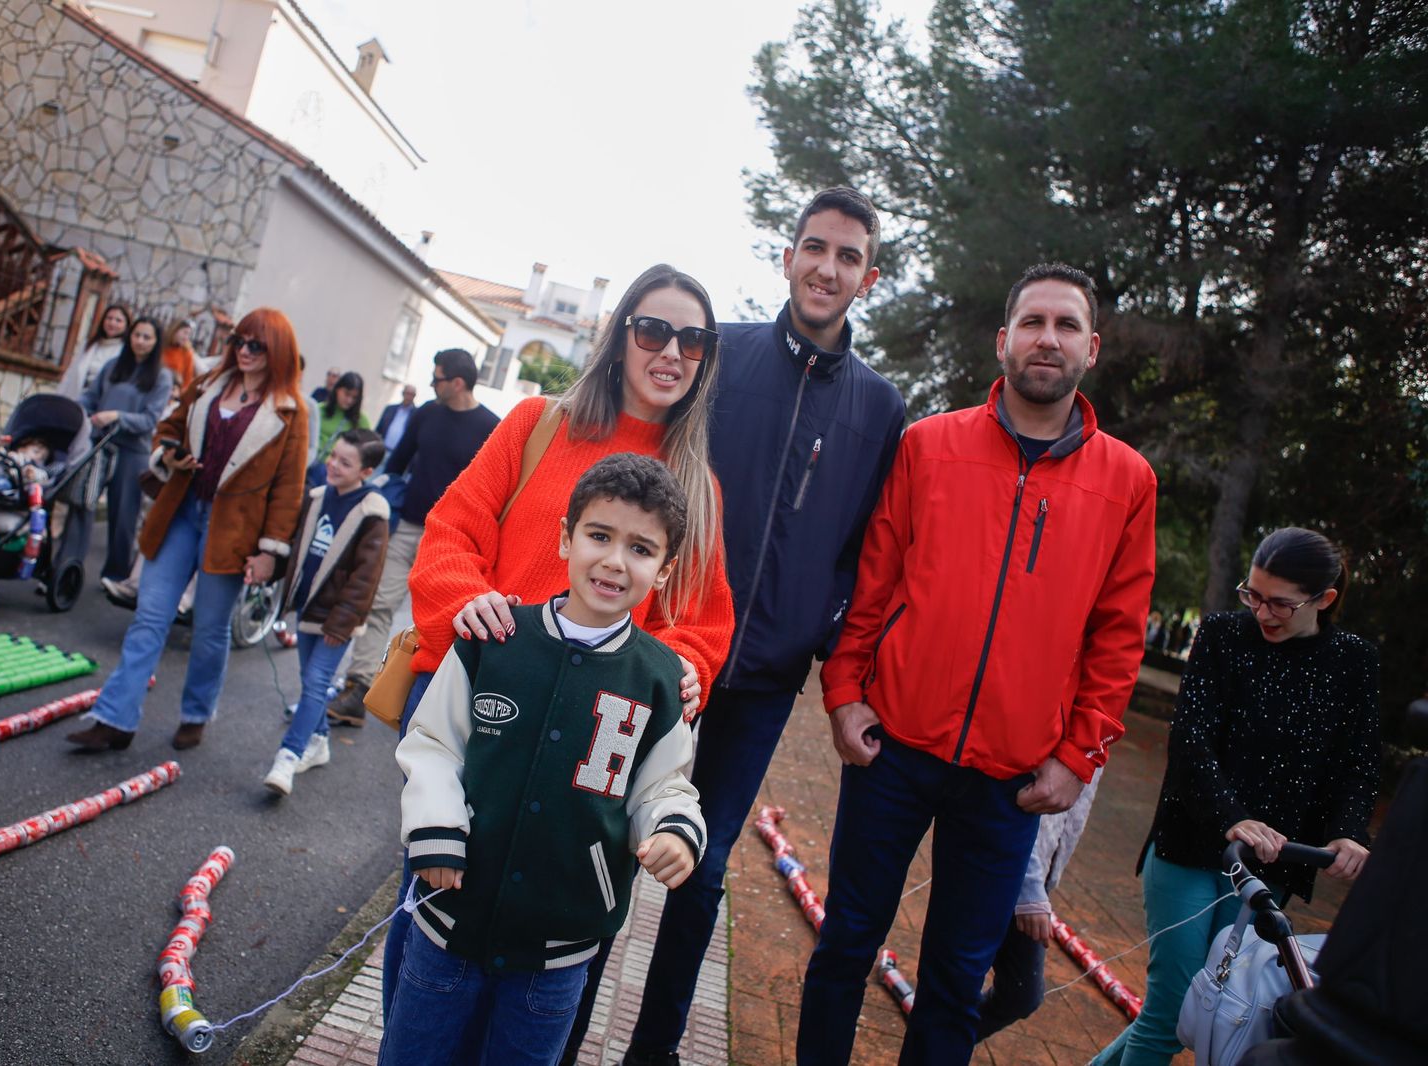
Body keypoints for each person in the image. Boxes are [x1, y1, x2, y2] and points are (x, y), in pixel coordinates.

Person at [798, 262, 1157, 1065]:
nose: (1047, 339)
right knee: (847, 944)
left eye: (1066, 326)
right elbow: (874, 580)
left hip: (1013, 779)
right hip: (893, 746)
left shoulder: (1128, 482)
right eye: (1033, 322)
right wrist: (846, 693)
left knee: (957, 981)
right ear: (1003, 340)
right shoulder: (930, 445)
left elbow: (1118, 637)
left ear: (1091, 349)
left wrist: (1079, 757)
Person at [377, 264, 736, 1022]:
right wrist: (468, 602)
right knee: (434, 912)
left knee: (547, 941)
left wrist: (684, 669)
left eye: (695, 339)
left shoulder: (698, 487)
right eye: (653, 330)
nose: (672, 351)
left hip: (585, 754)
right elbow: (451, 532)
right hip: (485, 714)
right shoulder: (538, 422)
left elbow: (699, 623)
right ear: (618, 338)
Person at [617, 186, 904, 1066]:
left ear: (869, 277)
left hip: (765, 679)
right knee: (603, 848)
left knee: (700, 872)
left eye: (848, 256)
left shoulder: (881, 409)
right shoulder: (716, 355)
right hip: (661, 654)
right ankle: (556, 1036)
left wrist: (821, 635)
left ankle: (653, 1050)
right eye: (814, 247)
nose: (827, 267)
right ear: (787, 257)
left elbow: (863, 547)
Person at [379, 453, 706, 1066]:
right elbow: (432, 744)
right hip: (448, 923)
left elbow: (663, 786)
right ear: (565, 537)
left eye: (640, 549)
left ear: (664, 571)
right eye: (599, 536)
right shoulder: (494, 640)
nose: (613, 560)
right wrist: (435, 824)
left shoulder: (663, 680)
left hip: (561, 948)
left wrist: (674, 830)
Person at [1091, 527, 1378, 1066]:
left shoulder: (1354, 662)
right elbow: (1191, 741)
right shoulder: (1222, 635)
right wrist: (1234, 819)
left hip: (1274, 862)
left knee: (1213, 1010)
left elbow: (1357, 763)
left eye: (1280, 603)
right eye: (1254, 594)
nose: (1263, 612)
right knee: (1170, 1010)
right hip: (1191, 843)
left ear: (1325, 599)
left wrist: (1347, 831)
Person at [67, 308, 308, 752]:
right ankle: (115, 720)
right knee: (149, 618)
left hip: (232, 531)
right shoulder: (208, 383)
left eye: (256, 345)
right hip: (182, 512)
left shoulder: (291, 414)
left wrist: (270, 551)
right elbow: (168, 429)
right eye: (239, 341)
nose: (244, 351)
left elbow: (288, 490)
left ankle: (196, 713)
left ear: (277, 352)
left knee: (210, 630)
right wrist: (169, 456)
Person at [323, 350, 499, 723]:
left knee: (443, 623)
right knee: (379, 604)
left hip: (455, 543)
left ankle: (435, 706)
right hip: (408, 528)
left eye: (436, 378)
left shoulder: (491, 427)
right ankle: (358, 686)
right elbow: (397, 464)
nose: (431, 384)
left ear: (457, 382)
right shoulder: (426, 414)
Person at [262, 428, 389, 795]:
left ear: (365, 472)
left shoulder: (372, 512)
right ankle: (318, 740)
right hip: (308, 607)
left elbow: (366, 578)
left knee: (316, 681)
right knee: (309, 679)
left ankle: (288, 756)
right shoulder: (317, 497)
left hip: (337, 619)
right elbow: (300, 549)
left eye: (345, 462)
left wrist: (343, 622)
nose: (332, 465)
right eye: (333, 456)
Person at [974, 767, 1103, 1040]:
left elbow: (1072, 810)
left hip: (1035, 875)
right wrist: (1030, 887)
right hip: (1005, 867)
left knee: (1021, 994)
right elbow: (1014, 791)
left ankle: (943, 1040)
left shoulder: (1100, 735)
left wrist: (1045, 879)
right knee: (966, 983)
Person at [82, 316, 172, 585]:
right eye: (137, 335)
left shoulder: (161, 376)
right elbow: (90, 397)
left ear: (156, 343)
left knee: (123, 515)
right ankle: (65, 569)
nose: (140, 341)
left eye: (147, 337)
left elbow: (149, 420)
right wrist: (83, 413)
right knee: (81, 504)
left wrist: (116, 417)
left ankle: (116, 574)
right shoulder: (113, 366)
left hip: (133, 452)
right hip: (98, 445)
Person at [306, 371, 368, 487]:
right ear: (337, 389)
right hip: (307, 464)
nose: (349, 400)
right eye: (347, 394)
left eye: (354, 397)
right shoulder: (319, 410)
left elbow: (365, 453)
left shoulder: (361, 421)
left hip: (333, 474)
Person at [57, 302, 130, 399]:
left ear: (126, 325)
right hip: (75, 399)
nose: (112, 323)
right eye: (109, 318)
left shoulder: (126, 351)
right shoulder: (89, 345)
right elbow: (70, 374)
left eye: (118, 320)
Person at [376, 383, 417, 457]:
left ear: (414, 396)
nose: (409, 397)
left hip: (398, 456)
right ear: (403, 394)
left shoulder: (416, 415)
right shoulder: (390, 409)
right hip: (382, 450)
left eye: (412, 395)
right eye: (407, 393)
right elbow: (379, 429)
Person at [160, 318, 200, 392]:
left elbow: (187, 381)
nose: (186, 337)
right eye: (185, 333)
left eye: (189, 334)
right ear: (175, 330)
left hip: (171, 391)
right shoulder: (161, 346)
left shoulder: (187, 353)